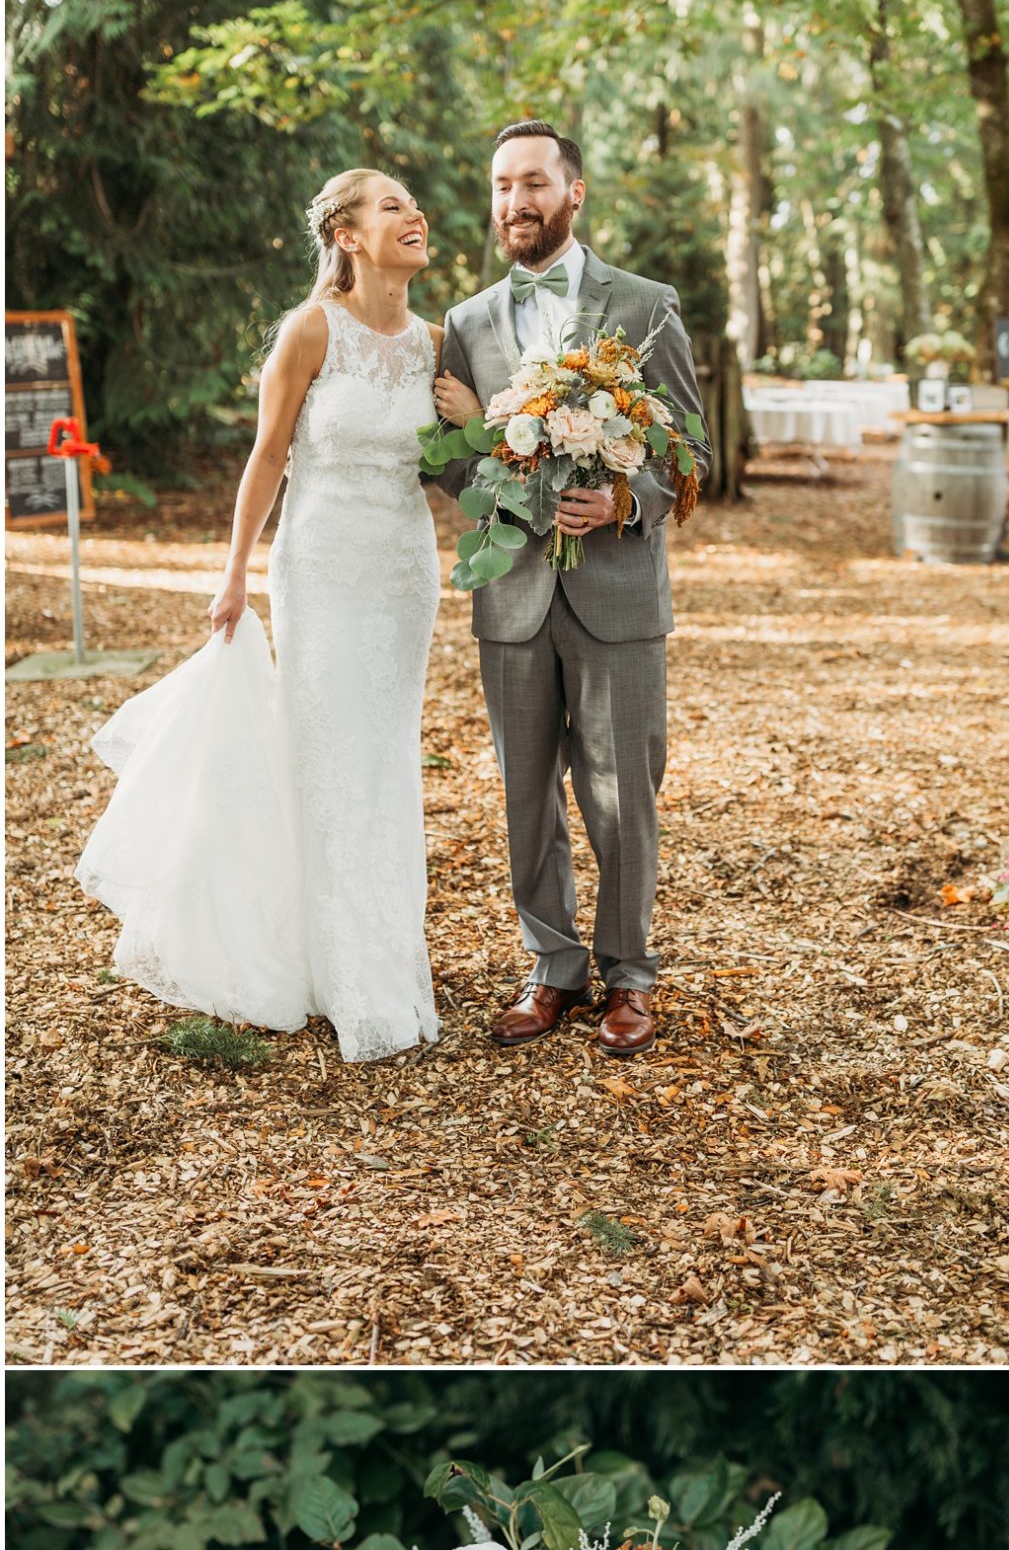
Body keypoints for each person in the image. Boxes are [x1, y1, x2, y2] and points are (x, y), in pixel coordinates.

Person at [76, 170, 442, 1064]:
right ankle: (330, 966)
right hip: (321, 566)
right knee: (328, 756)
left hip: (404, 571)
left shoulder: (438, 343)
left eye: (412, 204)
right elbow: (268, 454)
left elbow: (451, 467)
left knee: (385, 760)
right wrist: (233, 573)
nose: (414, 214)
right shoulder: (310, 329)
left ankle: (383, 956)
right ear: (347, 235)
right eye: (391, 205)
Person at [429, 118, 711, 1057]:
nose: (516, 201)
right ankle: (551, 967)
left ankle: (629, 976)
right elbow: (450, 466)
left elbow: (692, 449)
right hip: (511, 594)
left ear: (573, 192)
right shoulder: (465, 324)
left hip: (617, 594)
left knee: (624, 794)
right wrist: (487, 444)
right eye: (503, 185)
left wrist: (627, 499)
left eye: (534, 183)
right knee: (526, 795)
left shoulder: (646, 306)